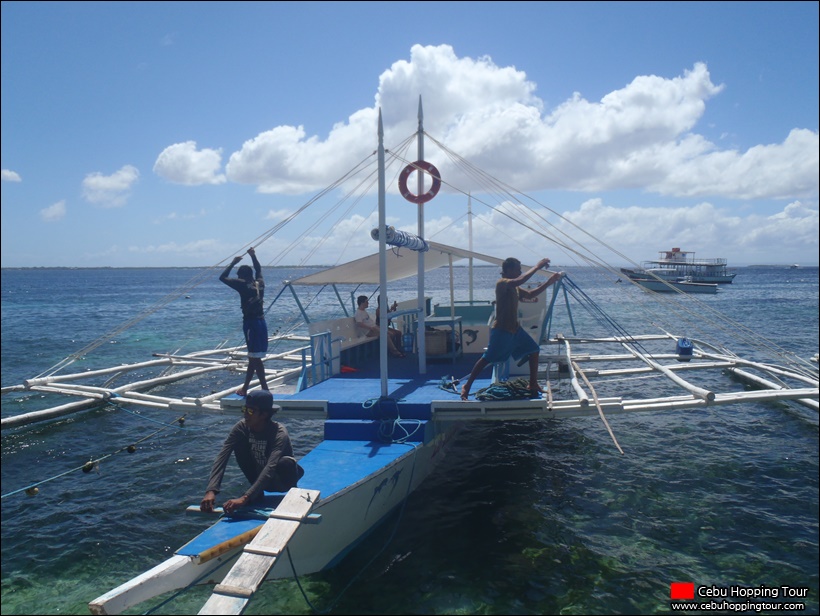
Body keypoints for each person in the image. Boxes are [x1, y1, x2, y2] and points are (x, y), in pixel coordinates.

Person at [460, 257, 564, 400]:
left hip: (515, 329)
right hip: (502, 329)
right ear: (508, 270)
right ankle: (467, 385)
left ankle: (533, 383)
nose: (520, 271)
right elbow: (521, 280)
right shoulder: (502, 284)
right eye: (518, 269)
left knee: (534, 350)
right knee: (487, 358)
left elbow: (530, 295)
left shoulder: (514, 287)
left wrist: (549, 282)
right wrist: (537, 266)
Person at [200, 389, 304, 514]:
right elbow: (223, 456)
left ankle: (292, 492)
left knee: (285, 462)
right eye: (244, 409)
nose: (245, 414)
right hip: (259, 480)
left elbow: (270, 467)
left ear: (264, 415)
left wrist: (245, 498)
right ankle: (256, 493)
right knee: (238, 445)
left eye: (250, 411)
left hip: (281, 481)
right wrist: (211, 490)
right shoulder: (241, 428)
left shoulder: (279, 433)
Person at [220, 247, 268, 396]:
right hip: (261, 323)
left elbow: (223, 277)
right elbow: (259, 269)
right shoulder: (259, 283)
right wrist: (253, 256)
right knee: (254, 357)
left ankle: (263, 388)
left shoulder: (241, 284)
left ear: (241, 276)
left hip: (251, 324)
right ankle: (247, 388)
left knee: (254, 358)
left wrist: (233, 262)